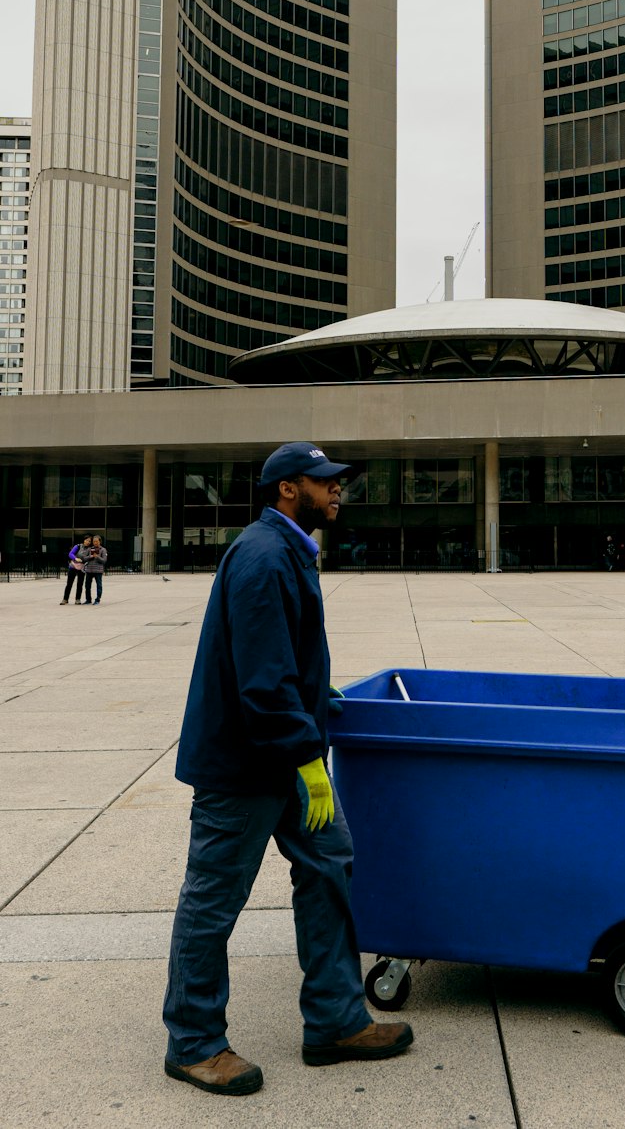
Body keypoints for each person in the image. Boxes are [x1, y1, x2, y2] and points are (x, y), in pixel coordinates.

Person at [162, 443, 413, 1097]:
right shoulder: (263, 558)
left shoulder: (288, 551)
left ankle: (334, 1019)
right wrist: (309, 757)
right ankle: (192, 1042)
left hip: (286, 758)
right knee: (213, 902)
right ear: (285, 491)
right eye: (323, 482)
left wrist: (321, 701)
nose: (338, 491)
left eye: (338, 482)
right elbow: (263, 683)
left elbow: (284, 667)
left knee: (330, 866)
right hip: (244, 768)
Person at [60, 537, 90, 604]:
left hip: (82, 568)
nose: (88, 542)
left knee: (80, 584)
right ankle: (65, 599)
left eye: (89, 541)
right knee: (69, 584)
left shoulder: (90, 549)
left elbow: (89, 558)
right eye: (86, 540)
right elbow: (70, 554)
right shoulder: (78, 546)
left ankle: (78, 599)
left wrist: (84, 559)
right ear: (84, 540)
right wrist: (75, 558)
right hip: (73, 566)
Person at [83, 534, 107, 604]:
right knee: (87, 586)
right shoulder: (90, 549)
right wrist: (90, 556)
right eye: (94, 541)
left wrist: (97, 556)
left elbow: (104, 560)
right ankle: (88, 599)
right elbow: (84, 558)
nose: (95, 543)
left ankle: (97, 600)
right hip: (89, 570)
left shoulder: (103, 550)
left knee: (99, 585)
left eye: (96, 541)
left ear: (100, 542)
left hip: (98, 570)